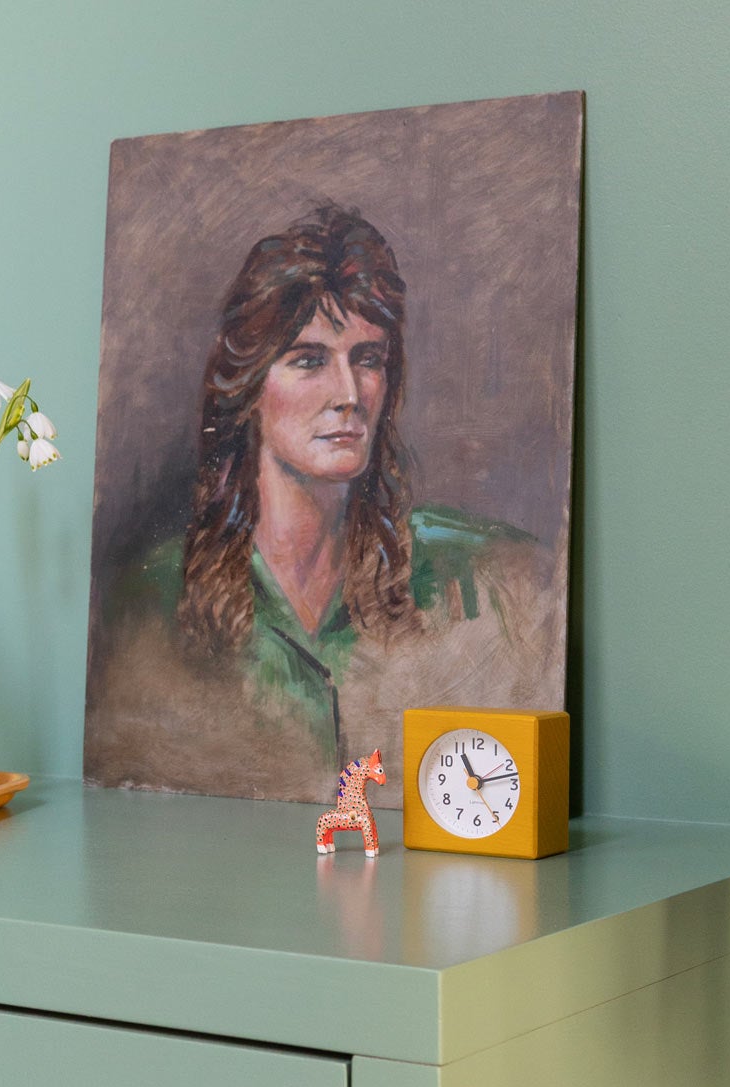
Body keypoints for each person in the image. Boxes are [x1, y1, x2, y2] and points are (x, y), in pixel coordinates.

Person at [127, 203, 541, 776]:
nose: (349, 393)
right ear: (248, 389)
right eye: (309, 360)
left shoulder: (478, 576)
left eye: (368, 359)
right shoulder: (154, 599)